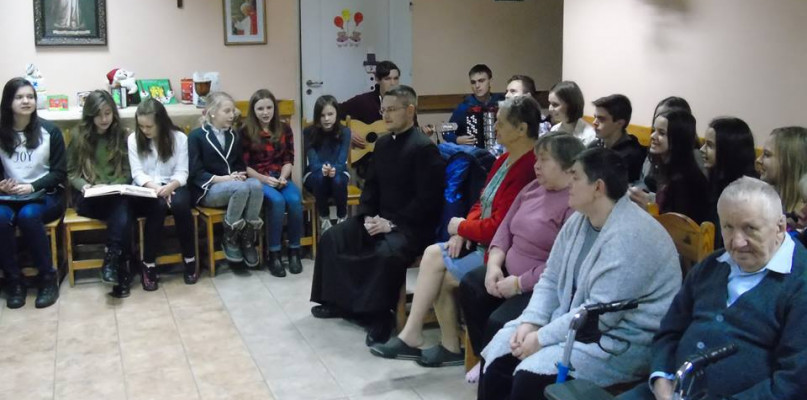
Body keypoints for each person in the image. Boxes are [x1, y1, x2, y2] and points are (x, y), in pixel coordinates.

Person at [478, 148, 681, 400]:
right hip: (577, 324)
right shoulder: (580, 220)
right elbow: (551, 277)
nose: (569, 184)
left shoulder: (631, 236)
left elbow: (600, 317)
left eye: (575, 177)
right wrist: (532, 321)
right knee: (500, 352)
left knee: (528, 378)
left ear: (598, 187)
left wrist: (540, 338)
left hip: (619, 344)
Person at [369, 96, 541, 367]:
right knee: (433, 257)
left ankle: (435, 341)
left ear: (521, 129)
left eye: (500, 123)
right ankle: (426, 338)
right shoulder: (505, 159)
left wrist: (462, 227)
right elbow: (481, 201)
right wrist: (463, 230)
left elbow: (501, 225)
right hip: (481, 239)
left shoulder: (529, 167)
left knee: (439, 272)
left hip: (503, 251)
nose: (494, 128)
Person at [618, 177, 807, 400]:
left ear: (780, 227)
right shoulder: (712, 265)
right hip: (670, 390)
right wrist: (661, 379)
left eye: (750, 229)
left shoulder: (799, 283)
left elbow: (793, 383)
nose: (737, 242)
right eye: (728, 227)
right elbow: (669, 331)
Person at [310, 85, 445, 346]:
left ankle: (380, 316)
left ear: (410, 110)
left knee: (385, 253)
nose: (386, 115)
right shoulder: (382, 144)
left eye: (392, 110)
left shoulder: (424, 148)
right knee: (333, 238)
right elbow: (371, 187)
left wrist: (391, 223)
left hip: (411, 227)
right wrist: (367, 216)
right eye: (383, 110)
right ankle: (336, 302)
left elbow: (427, 201)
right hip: (378, 219)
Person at [459, 133, 583, 382]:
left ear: (568, 166)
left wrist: (519, 284)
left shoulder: (574, 202)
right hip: (507, 268)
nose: (536, 166)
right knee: (471, 285)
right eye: (536, 159)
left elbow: (561, 265)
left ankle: (494, 367)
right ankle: (485, 356)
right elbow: (505, 228)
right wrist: (494, 264)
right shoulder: (532, 188)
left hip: (539, 285)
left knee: (498, 321)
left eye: (544, 160)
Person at [0, 77, 64, 309]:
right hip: (8, 197)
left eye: (30, 97)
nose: (26, 101)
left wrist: (32, 186)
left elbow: (59, 173)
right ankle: (14, 281)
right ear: (8, 102)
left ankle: (47, 278)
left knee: (28, 216)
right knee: (1, 218)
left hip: (45, 194)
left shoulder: (50, 131)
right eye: (19, 97)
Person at [68, 90, 133, 294]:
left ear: (113, 112)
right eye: (98, 115)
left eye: (107, 113)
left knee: (120, 206)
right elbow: (71, 172)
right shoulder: (79, 136)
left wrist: (113, 185)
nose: (104, 119)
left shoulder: (122, 135)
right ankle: (120, 266)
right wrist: (85, 186)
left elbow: (128, 172)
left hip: (115, 194)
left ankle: (113, 265)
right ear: (90, 115)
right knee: (122, 211)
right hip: (89, 197)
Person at [128, 98, 198, 289]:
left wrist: (171, 187)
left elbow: (183, 172)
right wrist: (157, 189)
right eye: (141, 126)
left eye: (149, 126)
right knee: (157, 206)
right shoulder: (133, 139)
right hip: (146, 187)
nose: (145, 130)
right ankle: (149, 263)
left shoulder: (179, 138)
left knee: (180, 204)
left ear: (161, 122)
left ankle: (190, 259)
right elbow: (137, 173)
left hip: (174, 185)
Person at [188, 91, 263, 269]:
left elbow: (239, 164)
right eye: (227, 111)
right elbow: (196, 172)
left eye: (233, 111)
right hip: (208, 189)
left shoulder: (233, 135)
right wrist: (226, 179)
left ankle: (247, 238)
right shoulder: (196, 136)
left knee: (256, 185)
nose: (232, 115)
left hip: (233, 185)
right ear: (213, 112)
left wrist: (239, 175)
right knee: (241, 188)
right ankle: (229, 237)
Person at [242, 89, 303, 277]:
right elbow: (245, 167)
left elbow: (288, 159)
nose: (265, 112)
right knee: (277, 202)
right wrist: (264, 179)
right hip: (258, 179)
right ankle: (274, 254)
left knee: (294, 200)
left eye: (269, 107)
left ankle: (294, 251)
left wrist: (284, 177)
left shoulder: (284, 129)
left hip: (280, 176)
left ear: (274, 109)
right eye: (260, 108)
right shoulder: (245, 131)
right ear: (253, 110)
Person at [628, 110, 709, 223]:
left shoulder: (683, 180)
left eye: (661, 133)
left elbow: (675, 226)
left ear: (678, 138)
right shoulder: (667, 169)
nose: (652, 136)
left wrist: (648, 208)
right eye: (654, 130)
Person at [699, 117, 758, 247]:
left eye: (710, 145)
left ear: (728, 150)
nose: (702, 149)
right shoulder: (715, 182)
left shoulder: (743, 195)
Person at [303, 95, 350, 233]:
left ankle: (342, 217)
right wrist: (321, 169)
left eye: (330, 114)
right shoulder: (309, 132)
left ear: (337, 114)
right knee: (320, 177)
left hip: (339, 172)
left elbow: (342, 159)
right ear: (317, 116)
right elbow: (312, 160)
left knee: (337, 179)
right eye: (322, 115)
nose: (327, 119)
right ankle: (324, 219)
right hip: (315, 173)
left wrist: (335, 169)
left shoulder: (345, 131)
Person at [756, 126, 807, 229]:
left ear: (790, 162)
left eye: (767, 154)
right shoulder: (767, 201)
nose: (758, 160)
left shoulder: (802, 218)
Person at [588, 94, 647, 183]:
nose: (594, 123)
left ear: (620, 123)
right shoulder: (594, 145)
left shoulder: (631, 156)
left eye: (601, 119)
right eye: (595, 117)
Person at [444, 64, 506, 147]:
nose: (477, 86)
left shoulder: (502, 102)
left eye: (481, 81)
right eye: (473, 82)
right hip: (474, 151)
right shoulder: (464, 107)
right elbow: (446, 130)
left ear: (490, 81)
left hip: (502, 150)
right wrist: (457, 139)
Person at [547, 81, 596, 145]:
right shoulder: (554, 130)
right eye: (550, 103)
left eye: (555, 104)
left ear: (571, 105)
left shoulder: (590, 136)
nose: (550, 109)